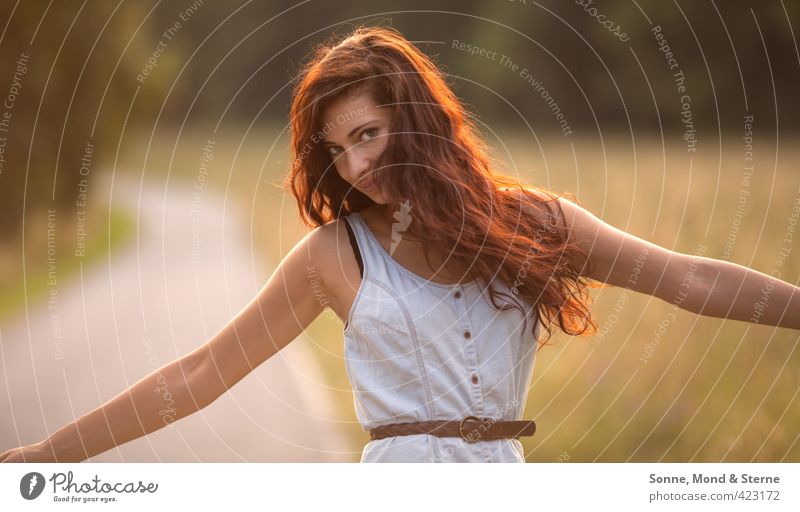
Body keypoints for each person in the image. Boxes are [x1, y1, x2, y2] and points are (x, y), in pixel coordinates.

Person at [1, 26, 798, 464]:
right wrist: (49, 453)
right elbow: (204, 372)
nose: (355, 165)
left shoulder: (537, 221)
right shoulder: (334, 255)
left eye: (370, 134)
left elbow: (689, 279)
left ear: (416, 117)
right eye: (339, 148)